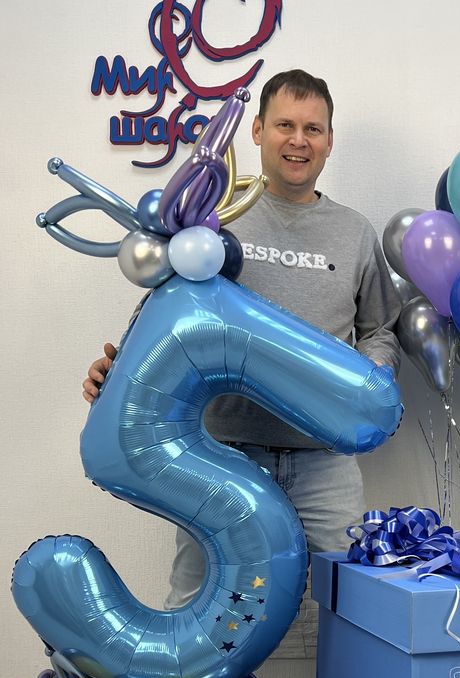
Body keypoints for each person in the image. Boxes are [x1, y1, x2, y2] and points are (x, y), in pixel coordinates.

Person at [83, 69, 401, 628]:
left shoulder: (354, 232)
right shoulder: (214, 216)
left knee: (355, 613)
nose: (298, 140)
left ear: (329, 141)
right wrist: (119, 371)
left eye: (313, 129)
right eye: (284, 125)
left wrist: (372, 375)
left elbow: (381, 327)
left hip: (324, 464)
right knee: (194, 607)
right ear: (256, 131)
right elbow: (167, 316)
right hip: (219, 455)